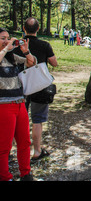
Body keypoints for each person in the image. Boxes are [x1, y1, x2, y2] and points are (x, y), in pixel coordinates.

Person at [14, 18, 58, 162]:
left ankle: (15, 150)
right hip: (39, 85)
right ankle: (37, 151)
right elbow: (54, 63)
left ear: (23, 28)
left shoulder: (17, 45)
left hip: (21, 85)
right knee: (37, 119)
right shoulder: (44, 45)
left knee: (19, 120)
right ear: (38, 29)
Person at [0, 27, 36, 181]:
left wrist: (26, 51)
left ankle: (25, 174)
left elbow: (32, 63)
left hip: (19, 103)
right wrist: (5, 49)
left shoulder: (11, 57)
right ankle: (5, 176)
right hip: (4, 106)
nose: (6, 41)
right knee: (4, 146)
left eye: (8, 37)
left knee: (24, 142)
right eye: (2, 38)